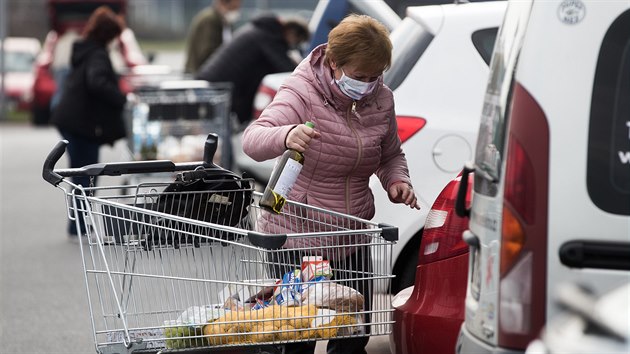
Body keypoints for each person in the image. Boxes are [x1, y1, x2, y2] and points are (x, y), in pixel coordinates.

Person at [242, 14, 420, 354]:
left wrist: (397, 181)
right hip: (297, 237)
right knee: (298, 338)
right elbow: (253, 139)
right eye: (359, 76)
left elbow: (390, 154)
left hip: (350, 237)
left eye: (375, 76)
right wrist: (286, 135)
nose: (368, 84)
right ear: (334, 63)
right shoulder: (301, 91)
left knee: (353, 335)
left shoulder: (381, 98)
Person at [50, 6, 128, 242]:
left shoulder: (85, 50)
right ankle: (81, 228)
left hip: (70, 119)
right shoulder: (98, 55)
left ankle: (78, 227)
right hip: (82, 124)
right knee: (87, 175)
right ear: (109, 35)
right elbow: (98, 83)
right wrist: (121, 98)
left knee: (79, 174)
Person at [195, 13, 310, 126]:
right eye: (296, 42)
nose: (293, 46)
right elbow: (287, 71)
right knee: (218, 134)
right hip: (217, 88)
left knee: (218, 134)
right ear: (291, 33)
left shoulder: (260, 31)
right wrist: (297, 63)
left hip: (212, 83)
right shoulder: (270, 37)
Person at [183, 0, 242, 74]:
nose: (237, 10)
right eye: (233, 7)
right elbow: (207, 52)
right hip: (199, 74)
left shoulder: (225, 22)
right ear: (222, 3)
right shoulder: (210, 20)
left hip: (211, 73)